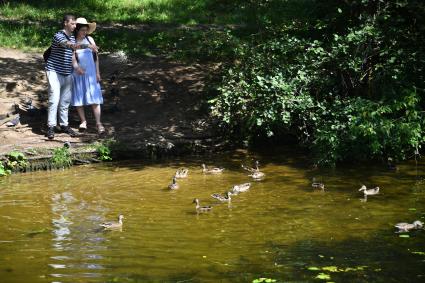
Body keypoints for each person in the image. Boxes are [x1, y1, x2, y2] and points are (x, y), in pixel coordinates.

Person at [45, 14, 99, 140]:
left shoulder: (73, 38)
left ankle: (64, 125)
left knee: (65, 101)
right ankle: (51, 127)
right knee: (54, 98)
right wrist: (87, 46)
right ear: (65, 23)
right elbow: (70, 46)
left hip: (67, 72)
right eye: (72, 23)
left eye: (75, 24)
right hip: (53, 71)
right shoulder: (59, 36)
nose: (75, 26)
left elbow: (72, 55)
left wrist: (76, 67)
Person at [71, 17, 105, 134]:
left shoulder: (90, 40)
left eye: (86, 30)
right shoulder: (73, 41)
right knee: (79, 98)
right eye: (82, 30)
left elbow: (96, 58)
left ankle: (98, 123)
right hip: (78, 74)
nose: (84, 32)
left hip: (91, 74)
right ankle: (83, 121)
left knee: (95, 99)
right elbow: (72, 57)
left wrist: (97, 72)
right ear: (77, 30)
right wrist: (77, 67)